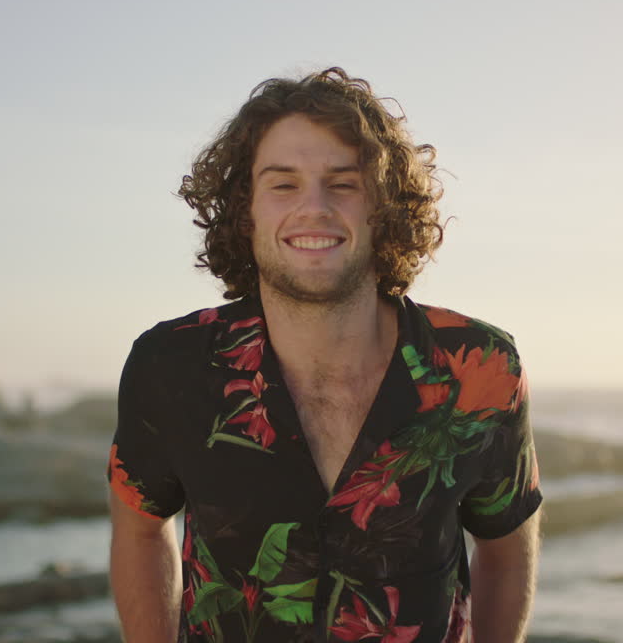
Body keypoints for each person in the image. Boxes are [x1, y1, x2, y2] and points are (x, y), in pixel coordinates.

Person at [108, 68, 542, 643]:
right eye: (282, 184)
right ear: (246, 211)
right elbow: (140, 529)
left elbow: (507, 546)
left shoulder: (481, 367)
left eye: (344, 183)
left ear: (382, 207)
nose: (314, 207)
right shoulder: (170, 364)